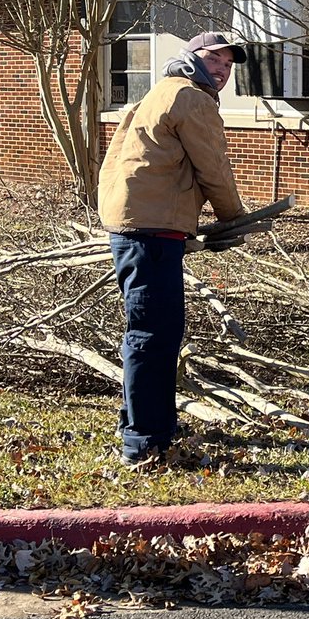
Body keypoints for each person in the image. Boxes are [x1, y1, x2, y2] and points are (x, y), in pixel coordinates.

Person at [98, 31, 247, 465]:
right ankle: (144, 441)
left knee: (149, 331)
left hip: (135, 225)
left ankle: (148, 424)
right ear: (191, 57)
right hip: (152, 230)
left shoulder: (159, 92)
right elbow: (213, 166)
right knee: (153, 334)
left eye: (227, 64)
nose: (221, 70)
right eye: (214, 59)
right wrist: (233, 217)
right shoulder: (191, 98)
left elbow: (114, 158)